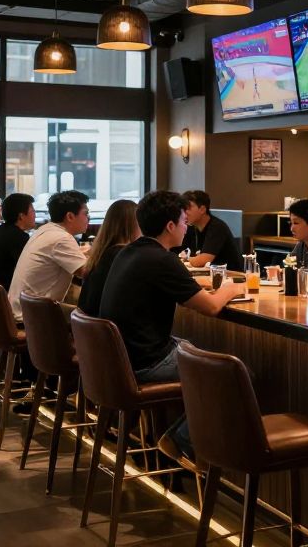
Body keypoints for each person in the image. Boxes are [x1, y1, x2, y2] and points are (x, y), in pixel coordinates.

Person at [99, 190, 241, 462]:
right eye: (184, 222)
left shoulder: (130, 252)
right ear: (170, 226)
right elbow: (211, 307)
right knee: (232, 374)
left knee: (197, 352)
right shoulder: (162, 260)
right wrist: (231, 289)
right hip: (145, 364)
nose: (186, 228)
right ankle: (179, 440)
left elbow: (178, 289)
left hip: (120, 360)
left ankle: (172, 438)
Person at [7, 191, 90, 320]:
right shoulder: (61, 238)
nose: (88, 218)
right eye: (85, 214)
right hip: (32, 316)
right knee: (93, 316)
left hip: (22, 308)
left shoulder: (45, 230)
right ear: (70, 216)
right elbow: (88, 273)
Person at [77, 199, 140, 316]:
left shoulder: (100, 253)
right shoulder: (124, 256)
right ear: (132, 225)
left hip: (88, 328)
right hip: (109, 329)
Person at [179, 190, 242, 271]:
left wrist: (180, 260)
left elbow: (203, 260)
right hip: (208, 274)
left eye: (187, 208)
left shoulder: (217, 227)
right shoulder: (191, 227)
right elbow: (179, 251)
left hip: (232, 276)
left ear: (202, 209)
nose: (184, 212)